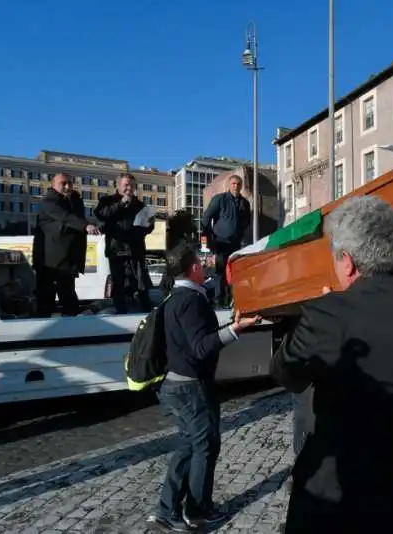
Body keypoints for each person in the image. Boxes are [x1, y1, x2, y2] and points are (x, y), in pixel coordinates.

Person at [271, 196, 393, 534]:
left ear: (348, 263)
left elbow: (286, 373)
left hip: (342, 502)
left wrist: (327, 311)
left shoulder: (325, 314)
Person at [147, 243, 260, 532]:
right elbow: (200, 347)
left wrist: (228, 323)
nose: (205, 263)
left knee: (187, 446)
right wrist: (236, 330)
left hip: (175, 384)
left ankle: (166, 510)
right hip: (190, 388)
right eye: (201, 260)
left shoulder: (176, 298)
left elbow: (194, 336)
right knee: (205, 447)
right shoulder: (190, 300)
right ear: (194, 267)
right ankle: (197, 512)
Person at [32, 173, 100, 317]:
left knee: (68, 295)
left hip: (67, 259)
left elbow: (74, 219)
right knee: (46, 298)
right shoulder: (48, 202)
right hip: (49, 261)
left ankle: (69, 327)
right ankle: (41, 328)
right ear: (53, 184)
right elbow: (66, 218)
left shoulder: (74, 200)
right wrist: (86, 226)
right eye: (64, 183)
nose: (68, 186)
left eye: (70, 183)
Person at [94, 173, 154, 314]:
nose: (129, 188)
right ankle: (121, 311)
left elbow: (146, 228)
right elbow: (101, 214)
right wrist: (121, 204)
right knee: (118, 282)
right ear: (118, 185)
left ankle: (147, 310)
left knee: (141, 281)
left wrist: (149, 225)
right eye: (126, 185)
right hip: (117, 249)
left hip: (136, 249)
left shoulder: (140, 205)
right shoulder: (107, 201)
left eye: (132, 185)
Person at [201, 175, 251, 307]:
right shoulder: (220, 199)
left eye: (239, 184)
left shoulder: (244, 203)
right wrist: (208, 238)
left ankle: (232, 300)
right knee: (219, 273)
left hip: (236, 244)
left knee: (234, 272)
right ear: (229, 185)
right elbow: (206, 217)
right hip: (220, 242)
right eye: (234, 184)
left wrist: (239, 232)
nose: (236, 186)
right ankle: (218, 302)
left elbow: (247, 221)